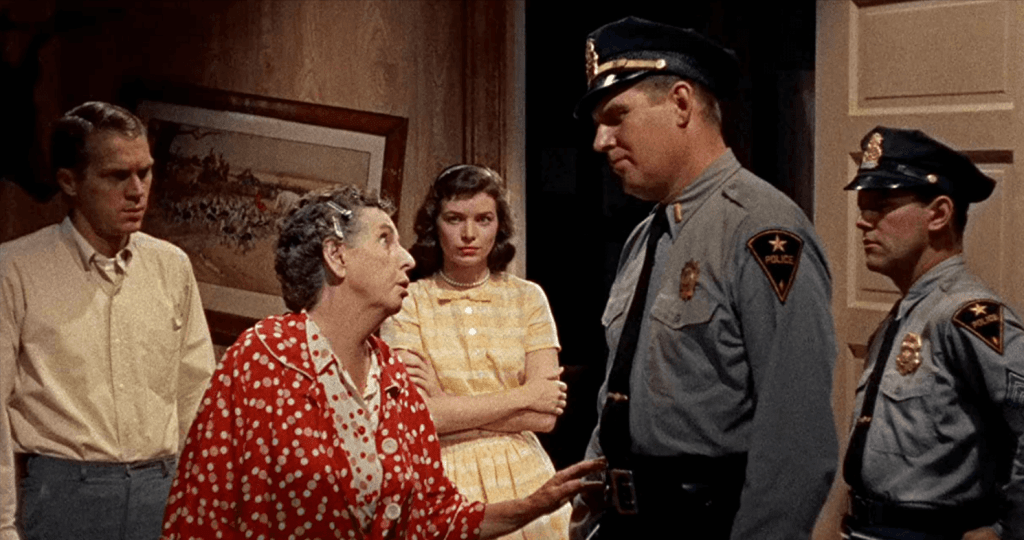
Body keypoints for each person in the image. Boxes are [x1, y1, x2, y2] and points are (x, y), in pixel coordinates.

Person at [161, 186, 604, 539]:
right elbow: (201, 514)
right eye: (385, 240)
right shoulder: (265, 357)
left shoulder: (391, 375)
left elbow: (432, 517)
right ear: (336, 257)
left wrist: (534, 504)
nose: (408, 258)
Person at [569, 16, 838, 540]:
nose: (601, 141)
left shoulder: (762, 230)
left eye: (617, 116)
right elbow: (618, 393)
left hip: (706, 521)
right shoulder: (646, 235)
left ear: (682, 103)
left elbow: (796, 440)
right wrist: (589, 512)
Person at [0, 101, 215, 540]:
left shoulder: (171, 267)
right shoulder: (16, 269)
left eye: (145, 172)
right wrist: (3, 525)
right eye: (118, 176)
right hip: (62, 493)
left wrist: (197, 501)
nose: (137, 190)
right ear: (69, 181)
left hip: (160, 488)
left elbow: (195, 394)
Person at [840, 126, 1024, 540]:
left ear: (938, 214)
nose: (862, 220)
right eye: (863, 205)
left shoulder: (965, 315)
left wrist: (1006, 529)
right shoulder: (905, 314)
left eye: (881, 204)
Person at [379, 164, 571, 540]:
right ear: (434, 224)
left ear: (499, 225)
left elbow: (545, 417)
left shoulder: (527, 298)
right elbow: (423, 417)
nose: (469, 234)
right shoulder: (409, 302)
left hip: (524, 476)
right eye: (454, 218)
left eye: (483, 219)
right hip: (439, 477)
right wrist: (525, 396)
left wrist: (451, 405)